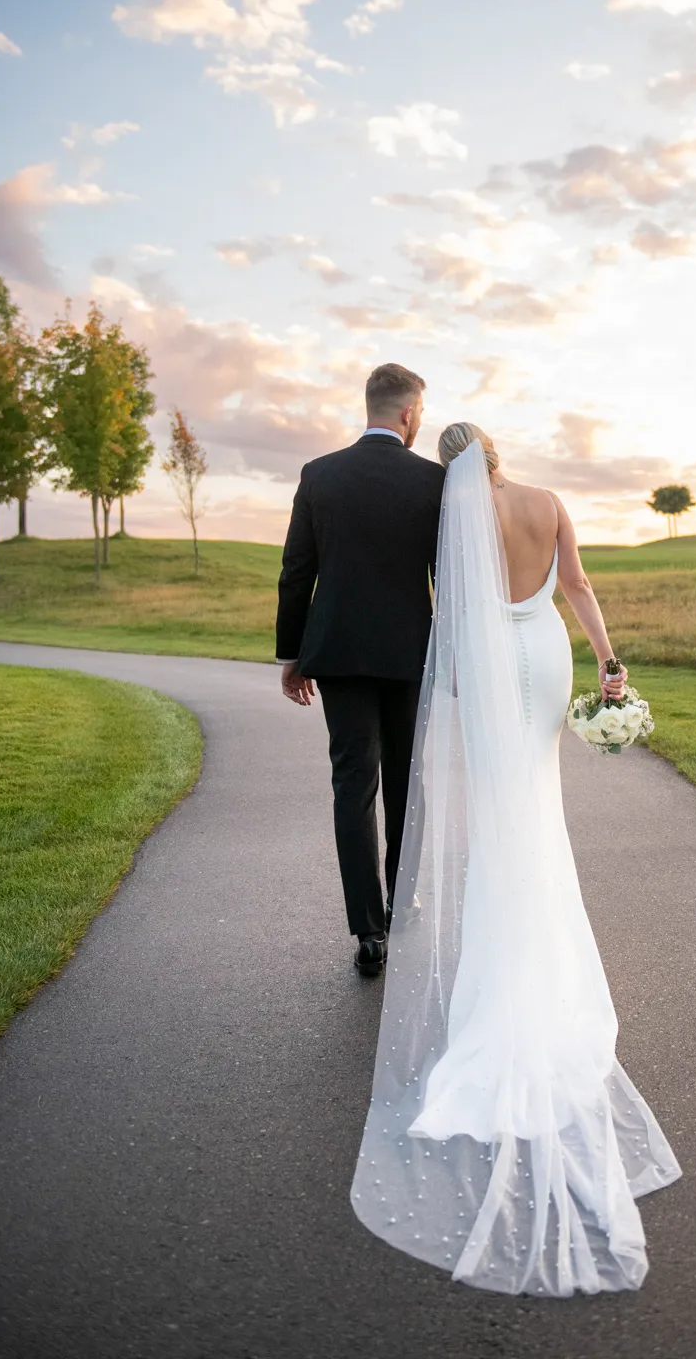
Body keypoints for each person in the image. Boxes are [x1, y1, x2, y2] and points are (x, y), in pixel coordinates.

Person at [349, 422, 681, 1296]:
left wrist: (454, 685)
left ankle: (505, 983)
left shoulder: (457, 521)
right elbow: (576, 584)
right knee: (540, 810)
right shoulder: (547, 503)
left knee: (502, 822)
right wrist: (608, 664)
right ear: (497, 454)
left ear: (453, 468)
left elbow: (453, 615)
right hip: (544, 658)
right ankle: (543, 963)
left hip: (492, 668)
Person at [276, 363, 445, 977]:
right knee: (406, 779)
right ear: (407, 414)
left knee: (353, 784)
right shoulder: (433, 481)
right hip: (409, 656)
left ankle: (368, 930)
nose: (420, 421)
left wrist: (292, 656)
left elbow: (297, 572)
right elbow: (447, 578)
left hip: (340, 656)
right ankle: (402, 900)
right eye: (420, 412)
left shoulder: (320, 474)